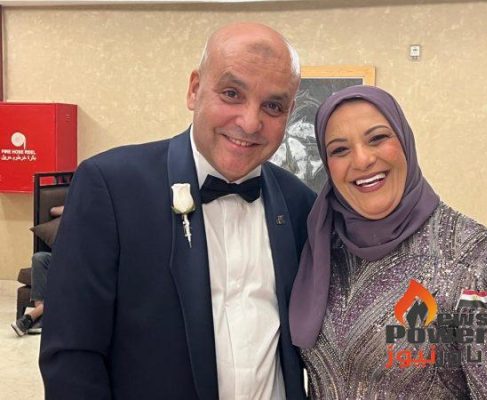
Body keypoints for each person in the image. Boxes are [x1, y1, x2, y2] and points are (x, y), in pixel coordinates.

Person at [40, 22, 315, 400]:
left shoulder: (301, 204)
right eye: (232, 93)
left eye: (273, 106)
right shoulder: (111, 187)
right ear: (194, 89)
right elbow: (72, 355)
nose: (250, 122)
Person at [289, 85, 487, 399]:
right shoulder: (323, 249)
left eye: (377, 138)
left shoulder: (472, 257)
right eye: (339, 150)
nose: (362, 159)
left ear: (405, 142)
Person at [11, 205, 64, 337]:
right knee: (39, 258)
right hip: (61, 257)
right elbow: (53, 210)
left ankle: (32, 317)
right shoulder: (75, 208)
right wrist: (73, 207)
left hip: (81, 262)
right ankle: (41, 319)